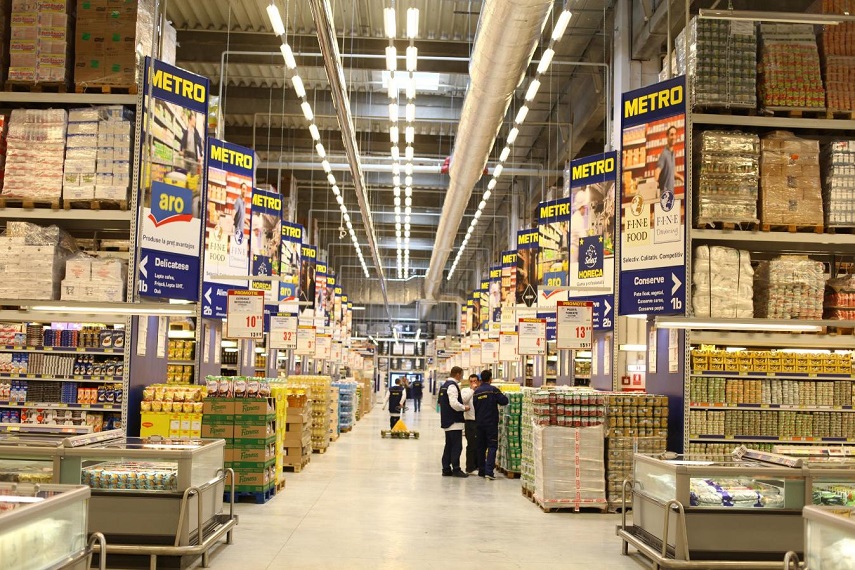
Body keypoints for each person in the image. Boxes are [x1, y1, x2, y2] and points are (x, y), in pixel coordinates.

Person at [473, 369, 509, 480]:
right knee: (492, 446)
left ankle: (481, 471)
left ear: (480, 379)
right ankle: (489, 471)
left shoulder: (476, 392)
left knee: (481, 447)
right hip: (491, 423)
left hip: (479, 423)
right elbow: (504, 401)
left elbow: (475, 406)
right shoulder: (493, 390)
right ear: (490, 379)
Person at [438, 366, 469, 478]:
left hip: (447, 420)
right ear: (457, 374)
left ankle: (446, 469)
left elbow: (440, 403)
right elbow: (454, 403)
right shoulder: (452, 386)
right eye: (462, 374)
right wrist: (464, 408)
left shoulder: (444, 386)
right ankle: (456, 469)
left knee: (449, 446)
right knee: (456, 446)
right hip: (454, 421)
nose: (462, 377)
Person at [655, 126, 684, 202]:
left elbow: (672, 172)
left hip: (670, 194)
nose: (673, 137)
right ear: (667, 137)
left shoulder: (672, 153)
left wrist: (681, 177)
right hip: (664, 195)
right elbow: (657, 170)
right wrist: (655, 184)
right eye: (671, 134)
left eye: (675, 134)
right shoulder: (664, 154)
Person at [461, 374, 480, 473]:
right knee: (471, 444)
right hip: (469, 421)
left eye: (475, 381)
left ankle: (478, 465)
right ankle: (470, 467)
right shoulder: (465, 391)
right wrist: (472, 390)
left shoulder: (481, 391)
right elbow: (464, 400)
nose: (473, 383)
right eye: (471, 381)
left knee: (479, 445)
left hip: (479, 422)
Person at [570, 190, 590, 265]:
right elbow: (582, 235)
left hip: (575, 247)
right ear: (582, 207)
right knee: (574, 266)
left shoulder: (576, 216)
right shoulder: (578, 218)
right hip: (574, 249)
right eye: (585, 207)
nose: (585, 210)